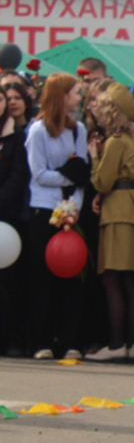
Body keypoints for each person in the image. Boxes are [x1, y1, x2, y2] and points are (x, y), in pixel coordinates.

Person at [23, 73, 90, 360]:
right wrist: (67, 175)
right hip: (44, 210)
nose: (79, 98)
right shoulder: (38, 131)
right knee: (42, 279)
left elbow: (82, 173)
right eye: (75, 93)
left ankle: (70, 339)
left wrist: (73, 206)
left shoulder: (78, 130)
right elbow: (39, 174)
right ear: (61, 96)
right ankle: (41, 340)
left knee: (72, 278)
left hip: (71, 211)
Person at [85, 82, 134, 362]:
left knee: (112, 277)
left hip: (117, 211)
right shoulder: (131, 140)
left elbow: (102, 181)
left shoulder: (114, 142)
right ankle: (131, 343)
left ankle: (116, 344)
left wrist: (94, 158)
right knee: (131, 281)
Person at [0, 80, 34, 356]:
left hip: (8, 221)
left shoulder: (18, 137)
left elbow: (17, 177)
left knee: (9, 283)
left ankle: (12, 339)